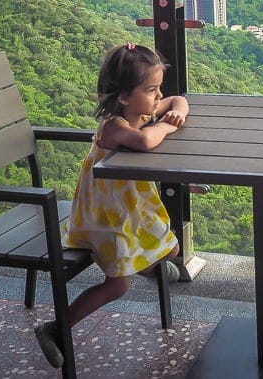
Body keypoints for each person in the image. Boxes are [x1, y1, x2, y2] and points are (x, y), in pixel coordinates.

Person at [34, 43, 189, 368]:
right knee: (118, 285)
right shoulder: (115, 126)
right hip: (104, 219)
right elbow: (146, 141)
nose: (159, 97)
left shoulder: (143, 110)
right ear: (123, 97)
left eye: (159, 87)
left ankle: (147, 264)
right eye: (151, 90)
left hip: (127, 210)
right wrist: (167, 124)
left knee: (173, 249)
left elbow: (179, 100)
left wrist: (177, 111)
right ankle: (55, 328)